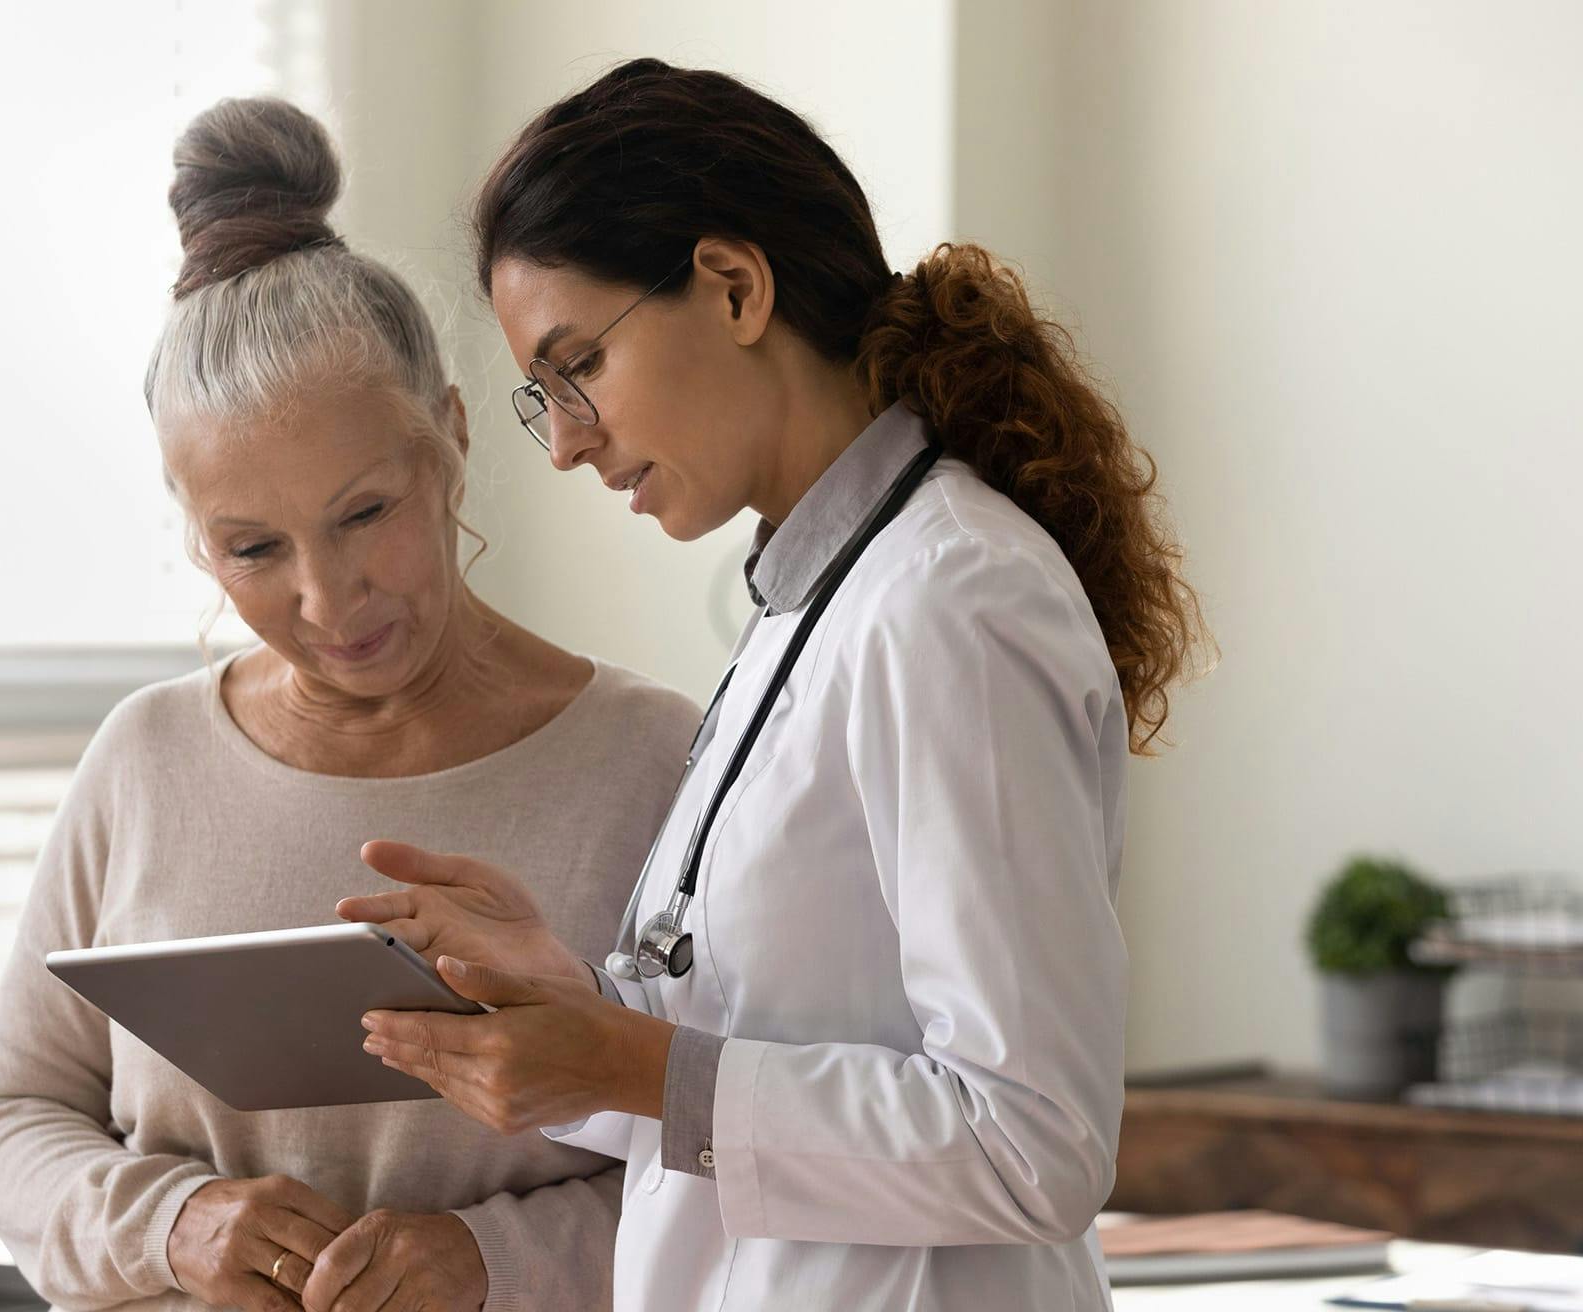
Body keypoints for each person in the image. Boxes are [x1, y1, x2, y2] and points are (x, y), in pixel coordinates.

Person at [339, 59, 1208, 1310]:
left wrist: (637, 1065)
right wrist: (575, 1005)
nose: (570, 437)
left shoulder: (949, 601)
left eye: (576, 362)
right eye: (545, 396)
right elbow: (787, 1034)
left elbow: (1035, 1143)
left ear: (735, 287)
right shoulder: (814, 601)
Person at [0, 97, 699, 1312]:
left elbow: (732, 1152)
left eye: (366, 514)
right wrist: (175, 1225)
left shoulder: (655, 762)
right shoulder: (143, 761)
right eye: (253, 549)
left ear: (451, 437)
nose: (327, 596)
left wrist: (486, 1264)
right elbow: (7, 1118)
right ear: (198, 545)